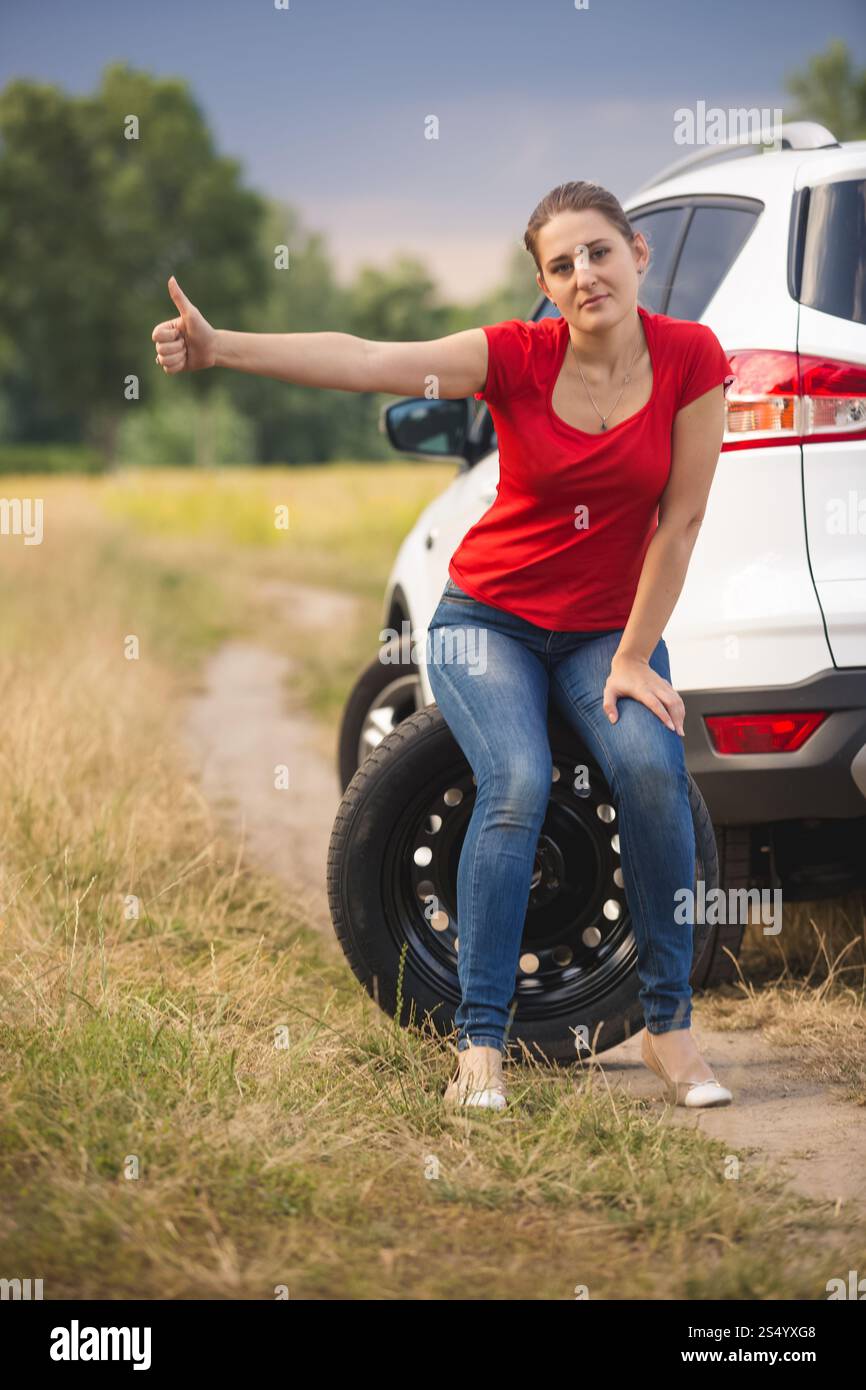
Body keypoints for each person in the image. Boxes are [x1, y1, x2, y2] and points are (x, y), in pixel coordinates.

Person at [150, 179, 735, 1113]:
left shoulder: (693, 359)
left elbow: (683, 520)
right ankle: (482, 1044)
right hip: (487, 622)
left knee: (651, 767)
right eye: (561, 264)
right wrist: (224, 348)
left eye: (598, 251)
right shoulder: (512, 356)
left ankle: (668, 1028)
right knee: (516, 780)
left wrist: (632, 658)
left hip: (602, 635)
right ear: (544, 282)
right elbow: (368, 356)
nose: (585, 274)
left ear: (638, 254)